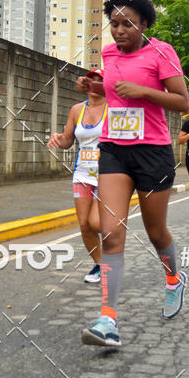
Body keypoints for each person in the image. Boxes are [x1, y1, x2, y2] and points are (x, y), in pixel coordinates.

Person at [76, 0, 189, 348]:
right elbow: (115, 93)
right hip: (114, 152)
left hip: (153, 153)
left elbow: (182, 102)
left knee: (156, 233)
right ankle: (107, 320)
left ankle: (174, 279)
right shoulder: (108, 54)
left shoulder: (161, 52)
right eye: (114, 24)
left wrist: (144, 92)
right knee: (111, 233)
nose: (119, 30)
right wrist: (95, 87)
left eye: (127, 24)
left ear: (144, 24)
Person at [48, 74, 107, 283]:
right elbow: (67, 140)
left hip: (108, 175)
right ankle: (101, 265)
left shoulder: (114, 107)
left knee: (97, 222)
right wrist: (58, 138)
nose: (92, 83)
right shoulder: (76, 110)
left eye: (98, 79)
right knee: (84, 224)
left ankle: (112, 255)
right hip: (82, 174)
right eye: (90, 79)